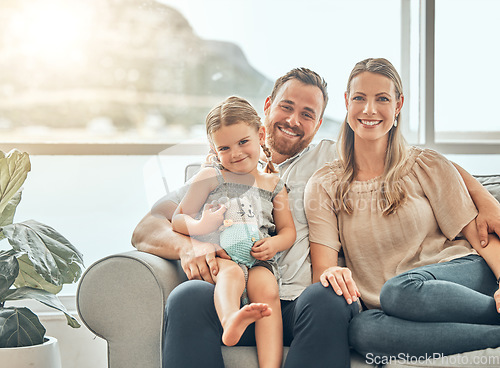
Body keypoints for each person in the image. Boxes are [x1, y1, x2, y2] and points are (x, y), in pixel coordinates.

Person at [132, 66, 500, 368]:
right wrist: (186, 246)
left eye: (307, 114)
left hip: (299, 303)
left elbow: (419, 162)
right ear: (267, 106)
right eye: (287, 107)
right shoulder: (219, 165)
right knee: (186, 297)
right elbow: (148, 228)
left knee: (329, 297)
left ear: (320, 122)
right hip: (232, 296)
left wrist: (486, 200)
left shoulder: (330, 163)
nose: (294, 120)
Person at [304, 57, 500, 361]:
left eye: (382, 98)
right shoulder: (324, 185)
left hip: (460, 275)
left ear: (398, 105)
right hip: (392, 303)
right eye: (359, 98)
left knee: (399, 291)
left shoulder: (426, 164)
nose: (369, 110)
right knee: (362, 331)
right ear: (346, 102)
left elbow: (478, 235)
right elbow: (325, 270)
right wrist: (333, 274)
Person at [171, 96, 296, 367]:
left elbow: (288, 231)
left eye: (243, 142)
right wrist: (202, 226)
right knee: (228, 276)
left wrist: (273, 245)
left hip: (259, 259)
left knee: (267, 291)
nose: (236, 153)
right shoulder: (210, 176)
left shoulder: (274, 184)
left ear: (260, 134)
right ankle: (230, 322)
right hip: (224, 257)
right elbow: (178, 218)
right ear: (214, 150)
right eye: (225, 147)